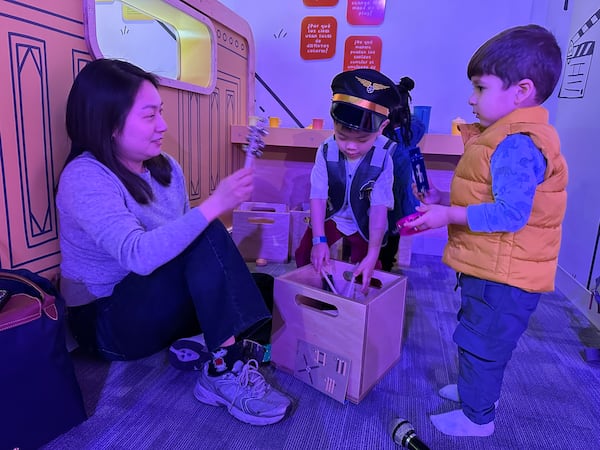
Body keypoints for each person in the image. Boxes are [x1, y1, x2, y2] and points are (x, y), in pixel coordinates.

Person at [56, 58, 291, 426]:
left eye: (160, 112)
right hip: (107, 322)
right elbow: (139, 255)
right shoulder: (84, 177)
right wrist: (215, 204)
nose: (163, 126)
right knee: (209, 232)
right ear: (110, 124)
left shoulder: (165, 166)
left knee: (263, 288)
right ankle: (221, 371)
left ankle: (205, 342)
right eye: (150, 116)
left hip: (155, 300)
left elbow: (181, 249)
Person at [403, 24, 568, 437]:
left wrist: (449, 217)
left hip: (506, 275)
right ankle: (476, 390)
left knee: (482, 343)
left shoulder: (517, 142)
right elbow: (488, 194)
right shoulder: (501, 138)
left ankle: (479, 418)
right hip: (494, 267)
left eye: (479, 88)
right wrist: (444, 201)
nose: (470, 98)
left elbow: (511, 214)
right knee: (477, 333)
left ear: (521, 91)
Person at [294, 68, 400, 292]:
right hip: (332, 216)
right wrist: (319, 241)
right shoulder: (325, 149)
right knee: (304, 254)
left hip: (363, 221)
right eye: (342, 137)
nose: (351, 146)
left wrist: (373, 254)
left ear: (381, 128)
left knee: (370, 267)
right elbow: (318, 196)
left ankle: (359, 309)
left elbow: (380, 209)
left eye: (362, 139)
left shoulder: (383, 158)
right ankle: (316, 295)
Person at [378, 76, 424, 271]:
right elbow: (417, 161)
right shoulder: (413, 130)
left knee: (379, 229)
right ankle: (386, 265)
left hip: (383, 192)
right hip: (401, 192)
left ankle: (378, 263)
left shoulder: (381, 134)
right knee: (394, 231)